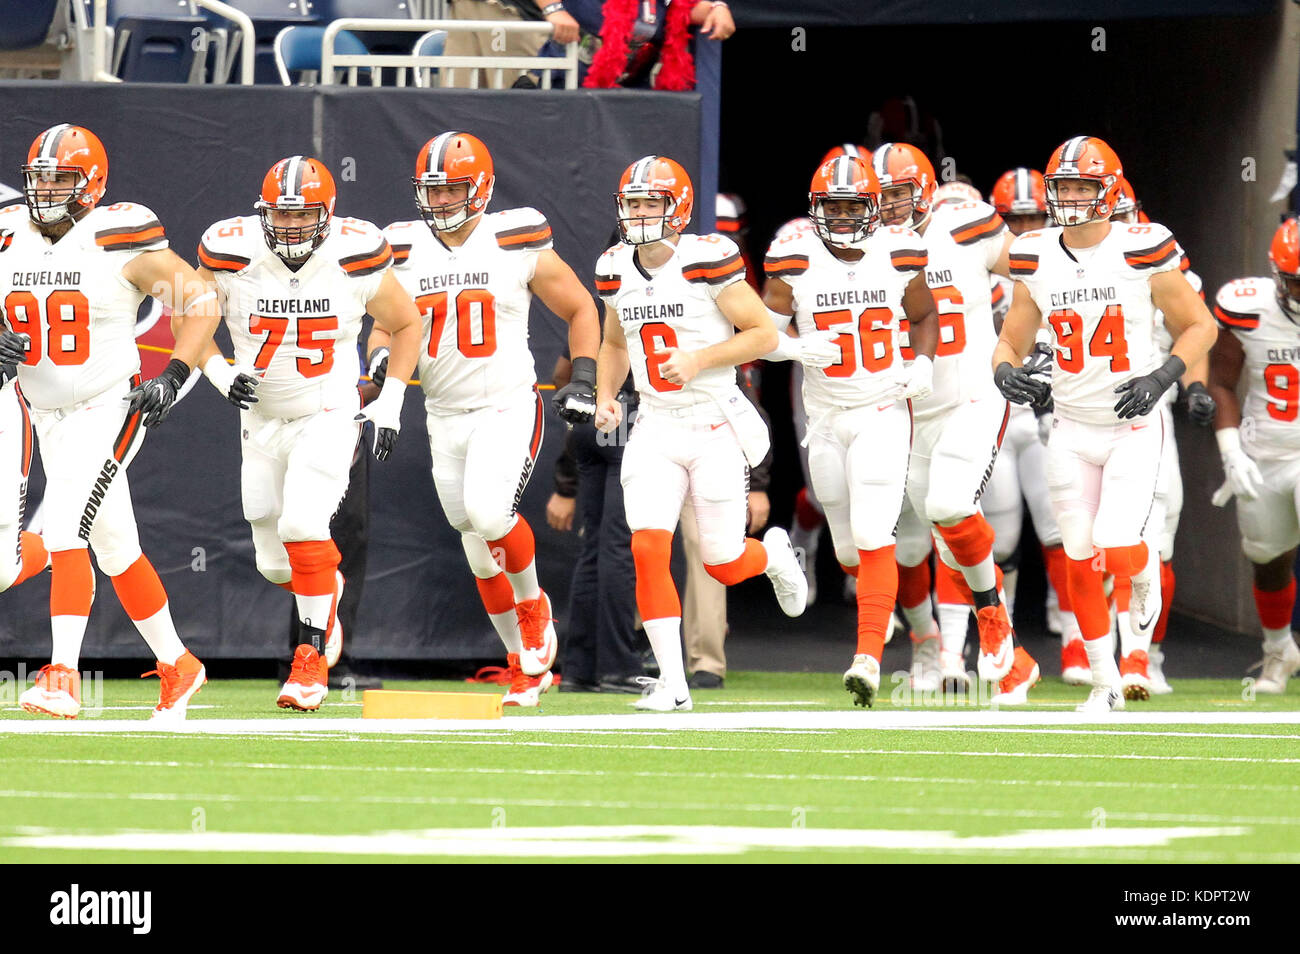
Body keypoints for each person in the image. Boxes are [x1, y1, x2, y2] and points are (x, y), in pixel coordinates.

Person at [373, 131, 601, 707]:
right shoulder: (401, 246)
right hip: (443, 413)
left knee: (488, 513)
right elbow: (383, 324)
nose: (441, 201)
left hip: (506, 404)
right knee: (475, 546)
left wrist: (584, 376)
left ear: (481, 188)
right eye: (433, 189)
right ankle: (524, 665)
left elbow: (579, 307)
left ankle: (533, 611)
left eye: (453, 189)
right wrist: (378, 358)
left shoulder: (513, 238)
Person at [992, 135, 1217, 713]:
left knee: (1119, 546)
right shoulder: (1034, 251)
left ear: (1108, 190)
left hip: (1133, 423)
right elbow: (1013, 337)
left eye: (1080, 186)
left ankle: (1141, 578)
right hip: (1069, 424)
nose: (1068, 197)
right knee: (1078, 556)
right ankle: (1103, 683)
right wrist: (1004, 372)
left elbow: (1201, 326)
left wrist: (1161, 378)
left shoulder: (1141, 247)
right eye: (1061, 186)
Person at [5, 123, 221, 720]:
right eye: (40, 177)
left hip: (109, 406)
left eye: (61, 178)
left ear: (92, 184)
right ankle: (180, 665)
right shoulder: (6, 235)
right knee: (117, 548)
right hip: (41, 411)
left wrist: (175, 373)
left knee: (67, 528)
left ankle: (61, 676)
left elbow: (200, 301)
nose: (46, 190)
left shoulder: (118, 236)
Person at [196, 155, 422, 711]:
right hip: (261, 417)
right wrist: (221, 373)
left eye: (304, 215)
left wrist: (390, 402)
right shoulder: (229, 249)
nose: (292, 225)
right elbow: (189, 324)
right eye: (282, 214)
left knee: (303, 523)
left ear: (329, 213)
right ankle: (329, 587)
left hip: (327, 409)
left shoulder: (357, 250)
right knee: (273, 560)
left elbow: (406, 321)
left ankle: (311, 659)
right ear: (262, 213)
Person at [594, 154, 805, 712]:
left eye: (650, 203)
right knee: (647, 547)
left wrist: (698, 359)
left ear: (678, 208)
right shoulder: (615, 266)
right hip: (656, 426)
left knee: (722, 562)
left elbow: (762, 333)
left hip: (713, 423)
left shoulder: (706, 260)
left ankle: (777, 556)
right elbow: (615, 344)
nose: (639, 213)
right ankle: (673, 682)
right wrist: (607, 397)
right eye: (632, 203)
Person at [761, 155, 938, 707]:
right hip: (825, 418)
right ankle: (871, 609)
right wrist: (790, 345)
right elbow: (762, 330)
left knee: (872, 532)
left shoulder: (900, 252)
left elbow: (924, 316)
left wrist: (924, 363)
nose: (840, 217)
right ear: (815, 210)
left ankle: (867, 657)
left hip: (882, 408)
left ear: (872, 207)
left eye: (850, 206)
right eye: (830, 208)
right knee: (845, 545)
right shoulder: (793, 257)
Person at [873, 141, 1038, 704]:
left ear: (923, 191)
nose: (890, 207)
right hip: (910, 411)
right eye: (882, 197)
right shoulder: (863, 249)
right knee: (928, 542)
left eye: (899, 195)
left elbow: (1038, 272)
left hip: (972, 395)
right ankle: (1010, 655)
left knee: (948, 506)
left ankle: (992, 626)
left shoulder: (965, 224)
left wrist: (1032, 344)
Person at [1108, 176, 1215, 696]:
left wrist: (1195, 387)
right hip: (1085, 412)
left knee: (1157, 530)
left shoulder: (1157, 257)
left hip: (1151, 411)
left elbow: (1190, 329)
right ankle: (1098, 652)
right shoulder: (1065, 263)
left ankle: (1144, 651)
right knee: (1087, 536)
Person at [1209, 217, 1300, 695]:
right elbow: (1221, 382)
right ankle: (1279, 650)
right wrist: (1230, 451)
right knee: (1267, 558)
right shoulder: (1248, 307)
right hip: (1264, 451)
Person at [546, 352, 644, 693]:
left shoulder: (595, 306)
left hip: (590, 422)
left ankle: (579, 669)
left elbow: (561, 372)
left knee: (594, 548)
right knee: (618, 546)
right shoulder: (647, 303)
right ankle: (618, 667)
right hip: (629, 416)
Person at [443, 0, 580, 89]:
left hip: (477, 9)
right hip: (502, 11)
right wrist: (552, 7)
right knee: (517, 105)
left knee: (459, 104)